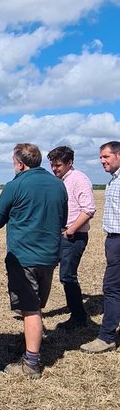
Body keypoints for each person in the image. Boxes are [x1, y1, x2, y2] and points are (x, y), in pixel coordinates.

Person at [0, 143, 67, 379]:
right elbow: (62, 217)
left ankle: (31, 363)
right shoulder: (58, 185)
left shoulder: (14, 186)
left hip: (24, 257)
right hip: (49, 256)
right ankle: (31, 342)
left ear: (21, 163)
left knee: (30, 309)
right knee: (37, 305)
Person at [47, 145, 95, 328]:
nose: (54, 168)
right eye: (52, 165)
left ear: (70, 163)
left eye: (58, 165)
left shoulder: (79, 179)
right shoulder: (60, 181)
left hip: (73, 237)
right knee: (45, 268)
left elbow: (89, 209)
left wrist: (70, 230)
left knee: (67, 276)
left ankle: (78, 317)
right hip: (59, 234)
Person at [81, 140, 120, 353]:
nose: (101, 161)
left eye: (106, 156)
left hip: (119, 241)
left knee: (112, 289)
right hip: (113, 239)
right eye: (100, 157)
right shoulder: (114, 180)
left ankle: (106, 337)